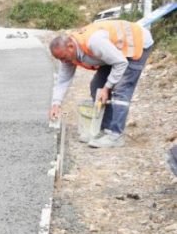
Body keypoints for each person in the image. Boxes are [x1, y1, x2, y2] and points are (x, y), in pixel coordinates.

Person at [48, 19, 153, 148]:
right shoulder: (67, 54)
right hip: (115, 52)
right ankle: (105, 130)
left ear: (70, 46)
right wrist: (56, 104)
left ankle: (115, 135)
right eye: (59, 59)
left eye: (63, 58)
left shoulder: (94, 42)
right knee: (96, 86)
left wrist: (107, 87)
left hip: (136, 45)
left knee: (121, 90)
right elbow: (62, 81)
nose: (63, 62)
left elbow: (120, 63)